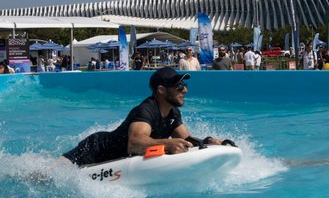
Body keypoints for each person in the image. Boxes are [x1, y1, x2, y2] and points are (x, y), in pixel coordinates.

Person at [62, 67, 235, 166]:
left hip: (113, 158)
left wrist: (207, 142)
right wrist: (169, 144)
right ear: (161, 90)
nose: (185, 90)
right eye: (179, 87)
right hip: (95, 149)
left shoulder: (173, 111)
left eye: (184, 85)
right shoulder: (145, 110)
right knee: (50, 174)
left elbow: (185, 139)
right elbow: (134, 144)